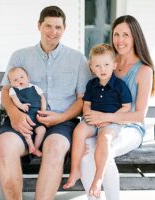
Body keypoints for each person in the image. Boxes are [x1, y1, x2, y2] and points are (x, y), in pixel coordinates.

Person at [0, 6, 91, 200]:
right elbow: (6, 92)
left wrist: (62, 117)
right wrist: (14, 114)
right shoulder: (20, 56)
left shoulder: (78, 59)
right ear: (39, 26)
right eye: (48, 26)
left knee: (55, 149)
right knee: (4, 145)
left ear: (64, 29)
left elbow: (83, 100)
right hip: (24, 118)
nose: (53, 32)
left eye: (58, 27)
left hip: (62, 122)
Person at [80, 15, 155, 200]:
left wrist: (105, 117)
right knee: (85, 153)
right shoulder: (108, 63)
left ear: (135, 37)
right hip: (102, 125)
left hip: (130, 127)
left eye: (126, 35)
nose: (120, 40)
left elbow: (139, 115)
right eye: (116, 34)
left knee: (107, 152)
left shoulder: (144, 70)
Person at [63, 44, 132, 196]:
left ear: (114, 65)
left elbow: (126, 107)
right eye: (98, 65)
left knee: (104, 139)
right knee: (79, 131)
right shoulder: (92, 84)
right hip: (93, 120)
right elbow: (86, 104)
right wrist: (88, 115)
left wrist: (109, 119)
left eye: (107, 65)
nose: (103, 69)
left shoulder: (119, 86)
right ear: (92, 67)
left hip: (111, 122)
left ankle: (98, 177)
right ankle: (75, 170)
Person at [7, 67, 47, 157]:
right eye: (15, 80)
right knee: (26, 131)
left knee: (42, 130)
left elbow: (42, 98)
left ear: (28, 78)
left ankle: (35, 148)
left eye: (22, 77)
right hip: (24, 115)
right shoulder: (13, 90)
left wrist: (43, 109)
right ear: (11, 83)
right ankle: (30, 145)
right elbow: (15, 99)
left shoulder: (35, 87)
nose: (19, 81)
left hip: (37, 115)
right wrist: (21, 106)